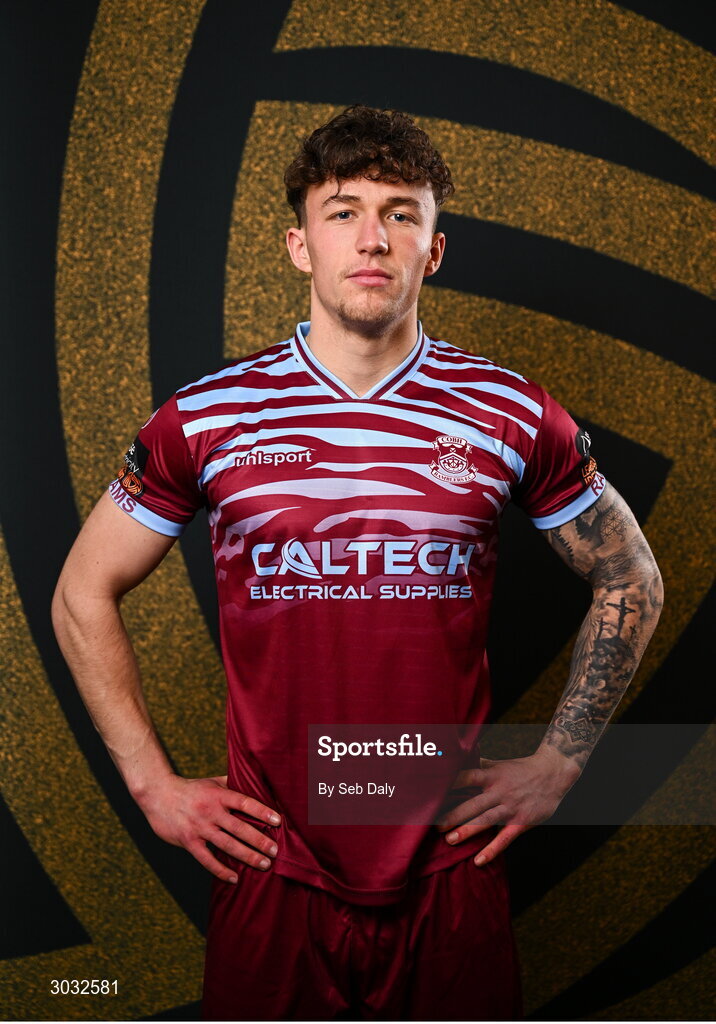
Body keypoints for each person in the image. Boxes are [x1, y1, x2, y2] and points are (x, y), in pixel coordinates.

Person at [52, 105, 663, 1021]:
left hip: (449, 869)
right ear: (299, 245)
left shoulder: (508, 413)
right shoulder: (210, 416)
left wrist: (560, 765)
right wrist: (151, 785)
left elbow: (631, 578)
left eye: (401, 212)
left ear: (435, 250)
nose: (372, 238)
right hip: (276, 866)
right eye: (343, 212)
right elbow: (79, 593)